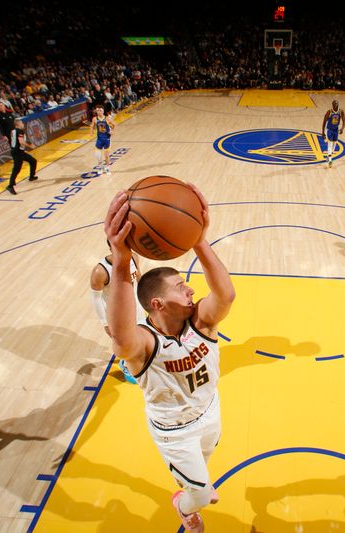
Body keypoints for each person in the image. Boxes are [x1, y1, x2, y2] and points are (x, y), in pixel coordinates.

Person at [103, 187, 236, 533]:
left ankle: (192, 488)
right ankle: (184, 506)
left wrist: (199, 240)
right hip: (174, 432)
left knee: (201, 477)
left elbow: (226, 295)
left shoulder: (202, 322)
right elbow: (121, 339)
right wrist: (120, 261)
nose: (190, 289)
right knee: (203, 495)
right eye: (180, 287)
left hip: (210, 412)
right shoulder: (145, 344)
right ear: (158, 304)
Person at [89, 242, 145, 384]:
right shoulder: (100, 271)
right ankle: (126, 365)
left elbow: (138, 276)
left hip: (135, 307)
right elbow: (96, 299)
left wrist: (147, 296)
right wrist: (105, 323)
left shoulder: (134, 258)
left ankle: (135, 360)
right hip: (116, 315)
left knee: (141, 337)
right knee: (125, 344)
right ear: (111, 248)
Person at [6, 118, 38, 195]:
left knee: (33, 161)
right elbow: (21, 142)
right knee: (17, 169)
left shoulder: (13, 131)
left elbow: (15, 141)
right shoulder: (19, 131)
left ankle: (31, 176)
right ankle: (10, 186)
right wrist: (30, 146)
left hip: (18, 151)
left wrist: (22, 149)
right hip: (17, 152)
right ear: (18, 124)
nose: (23, 124)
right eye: (21, 123)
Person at [89, 106, 115, 172]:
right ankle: (101, 167)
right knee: (98, 155)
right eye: (97, 110)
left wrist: (112, 130)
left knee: (106, 155)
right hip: (99, 139)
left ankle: (108, 168)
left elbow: (114, 125)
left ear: (103, 111)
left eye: (100, 110)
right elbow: (92, 126)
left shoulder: (107, 118)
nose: (99, 112)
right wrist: (91, 132)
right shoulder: (94, 119)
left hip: (106, 139)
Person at [322, 100, 345, 167]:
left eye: (336, 104)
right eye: (334, 104)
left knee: (334, 145)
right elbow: (324, 122)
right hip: (329, 130)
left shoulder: (341, 111)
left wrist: (342, 128)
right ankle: (330, 160)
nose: (335, 105)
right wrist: (323, 132)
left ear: (338, 104)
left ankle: (328, 156)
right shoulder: (329, 112)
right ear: (332, 105)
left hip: (336, 130)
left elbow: (344, 121)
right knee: (330, 144)